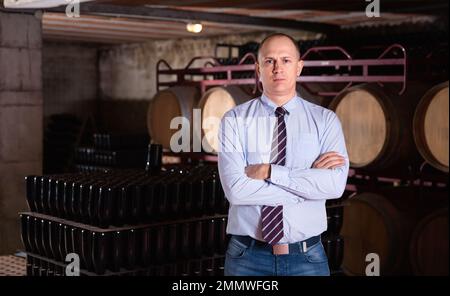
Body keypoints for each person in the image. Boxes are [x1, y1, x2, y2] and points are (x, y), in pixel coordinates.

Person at [217, 33, 349, 276]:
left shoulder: (325, 120)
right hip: (247, 258)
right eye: (269, 61)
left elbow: (334, 186)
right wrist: (307, 187)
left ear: (299, 67)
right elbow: (235, 190)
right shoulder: (234, 120)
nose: (278, 68)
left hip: (307, 258)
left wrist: (270, 172)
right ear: (258, 69)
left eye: (286, 60)